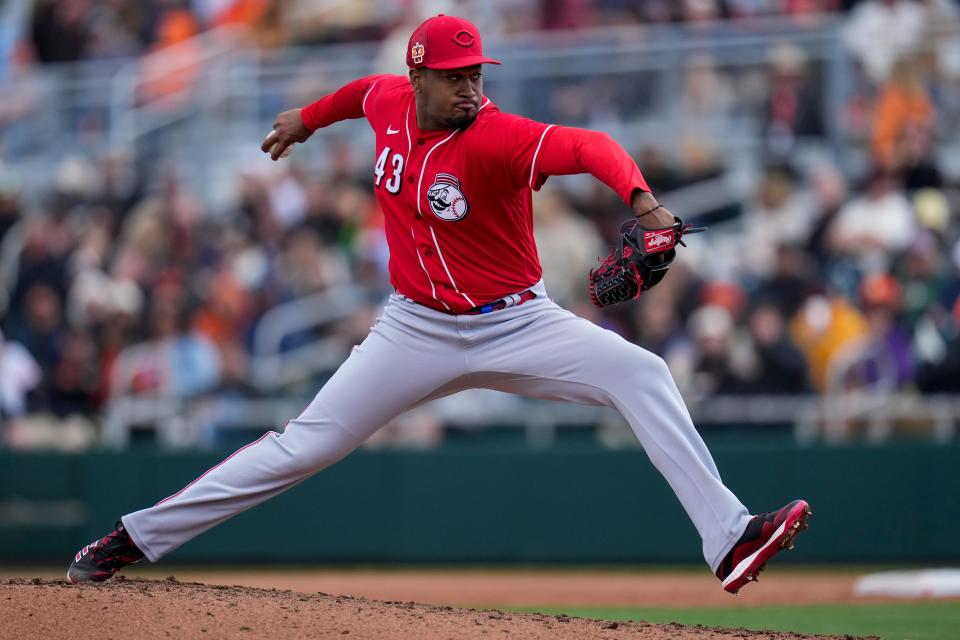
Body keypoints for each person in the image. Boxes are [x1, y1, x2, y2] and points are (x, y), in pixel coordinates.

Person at [67, 14, 810, 594]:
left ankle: (731, 539)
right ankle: (133, 539)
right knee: (302, 447)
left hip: (518, 321)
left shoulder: (499, 139)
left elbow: (589, 145)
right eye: (454, 77)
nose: (470, 88)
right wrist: (306, 117)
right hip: (413, 329)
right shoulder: (392, 100)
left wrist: (644, 205)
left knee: (642, 373)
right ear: (418, 78)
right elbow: (358, 94)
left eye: (476, 73)